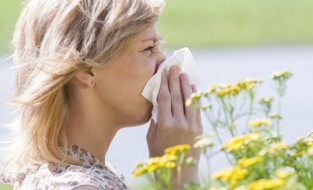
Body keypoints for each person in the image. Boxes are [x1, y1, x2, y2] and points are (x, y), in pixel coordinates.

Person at [0, 0, 203, 189]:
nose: (163, 62)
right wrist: (179, 176)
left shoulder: (76, 173)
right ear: (86, 70)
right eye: (149, 48)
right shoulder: (82, 186)